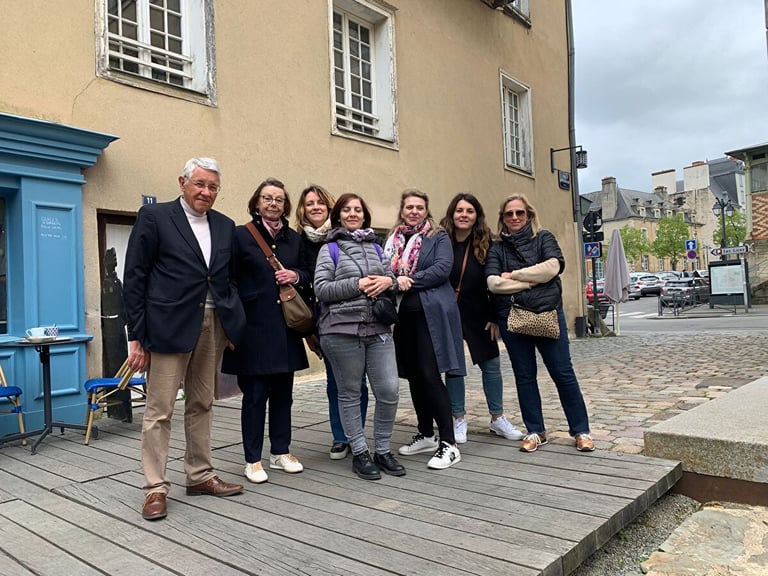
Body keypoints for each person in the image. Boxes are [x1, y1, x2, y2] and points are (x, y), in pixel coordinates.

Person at [124, 157, 246, 522]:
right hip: (167, 326)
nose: (206, 192)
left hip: (212, 325)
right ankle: (155, 488)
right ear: (183, 182)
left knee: (202, 403)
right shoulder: (155, 217)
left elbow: (229, 279)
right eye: (200, 184)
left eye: (213, 187)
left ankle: (199, 475)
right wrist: (136, 337)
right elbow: (135, 277)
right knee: (159, 410)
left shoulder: (225, 226)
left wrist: (230, 324)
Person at [486, 194, 595, 453]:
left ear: (529, 215)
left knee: (563, 373)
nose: (514, 217)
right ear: (502, 218)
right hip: (513, 318)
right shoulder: (497, 248)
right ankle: (536, 430)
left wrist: (514, 275)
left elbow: (553, 267)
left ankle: (581, 430)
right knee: (525, 377)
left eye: (519, 213)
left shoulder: (543, 238)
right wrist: (535, 280)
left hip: (548, 314)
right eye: (509, 214)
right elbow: (493, 283)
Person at [222, 178, 310, 485]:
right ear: (257, 203)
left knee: (284, 394)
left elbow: (307, 272)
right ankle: (253, 459)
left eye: (279, 200)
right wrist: (232, 322)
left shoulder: (294, 239)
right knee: (255, 396)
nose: (273, 204)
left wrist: (296, 274)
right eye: (267, 198)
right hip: (253, 329)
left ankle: (281, 451)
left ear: (286, 206)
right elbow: (227, 280)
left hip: (285, 329)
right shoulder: (240, 236)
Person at [313, 193, 404, 480]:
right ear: (338, 216)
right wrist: (359, 284)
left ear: (364, 215)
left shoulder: (378, 249)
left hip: (378, 329)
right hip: (341, 331)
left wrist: (388, 281)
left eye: (358, 210)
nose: (353, 214)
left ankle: (382, 449)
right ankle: (361, 452)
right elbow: (322, 290)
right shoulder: (330, 250)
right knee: (350, 392)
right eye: (347, 210)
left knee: (389, 390)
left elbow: (391, 280)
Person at [385, 189, 466, 470]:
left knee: (430, 374)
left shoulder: (437, 236)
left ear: (426, 210)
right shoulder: (393, 239)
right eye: (409, 207)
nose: (414, 211)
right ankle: (427, 434)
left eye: (420, 207)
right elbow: (385, 271)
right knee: (415, 376)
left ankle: (449, 443)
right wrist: (395, 281)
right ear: (402, 210)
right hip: (402, 317)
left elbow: (443, 269)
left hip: (429, 315)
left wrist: (408, 280)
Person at [439, 193, 525, 444]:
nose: (463, 215)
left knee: (491, 365)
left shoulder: (487, 242)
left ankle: (497, 418)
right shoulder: (441, 241)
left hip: (480, 312)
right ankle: (458, 419)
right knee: (454, 368)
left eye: (469, 211)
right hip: (449, 313)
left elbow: (494, 282)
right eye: (459, 210)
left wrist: (495, 317)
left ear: (476, 215)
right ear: (452, 213)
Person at [295, 185, 369, 460]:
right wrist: (309, 331)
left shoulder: (346, 236)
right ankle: (341, 437)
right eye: (309, 203)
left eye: (320, 203)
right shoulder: (299, 242)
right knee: (335, 381)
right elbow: (304, 290)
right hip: (324, 323)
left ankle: (357, 434)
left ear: (329, 208)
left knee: (357, 380)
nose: (314, 207)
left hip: (354, 319)